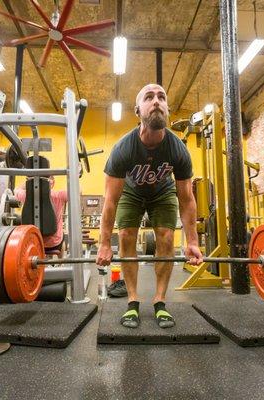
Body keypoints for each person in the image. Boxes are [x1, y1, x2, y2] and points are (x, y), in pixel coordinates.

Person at [97, 83, 203, 329]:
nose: (156, 100)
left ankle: (160, 302)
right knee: (125, 236)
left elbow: (187, 199)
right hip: (131, 192)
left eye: (161, 97)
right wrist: (103, 244)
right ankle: (132, 301)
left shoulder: (178, 149)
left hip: (162, 192)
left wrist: (193, 242)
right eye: (149, 97)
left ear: (167, 109)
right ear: (138, 110)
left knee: (166, 237)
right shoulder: (123, 148)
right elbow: (111, 201)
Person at [14, 176, 68, 256]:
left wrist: (28, 181)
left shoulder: (26, 196)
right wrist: (76, 174)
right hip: (54, 245)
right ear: (51, 183)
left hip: (33, 243)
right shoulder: (58, 195)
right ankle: (60, 263)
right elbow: (78, 191)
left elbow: (16, 190)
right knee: (63, 237)